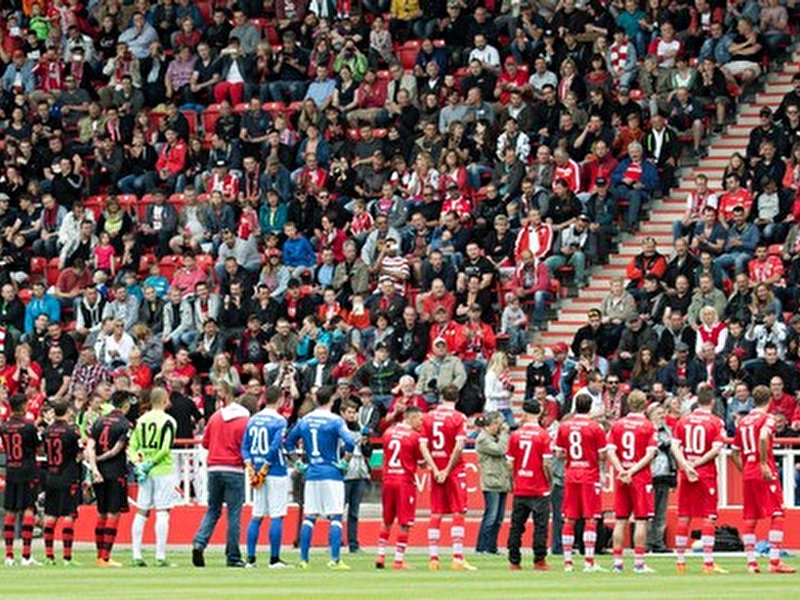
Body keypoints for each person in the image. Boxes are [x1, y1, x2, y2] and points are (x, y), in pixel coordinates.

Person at [285, 385, 356, 570]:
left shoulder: (305, 420)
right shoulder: (336, 420)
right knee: (335, 516)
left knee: (310, 516)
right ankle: (335, 559)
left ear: (316, 400)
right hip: (331, 473)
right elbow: (349, 441)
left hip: (312, 473)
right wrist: (345, 461)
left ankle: (303, 559)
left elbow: (289, 442)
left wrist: (298, 463)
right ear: (331, 400)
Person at [731, 384, 796, 574]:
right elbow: (763, 436)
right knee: (777, 514)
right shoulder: (767, 418)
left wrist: (745, 469)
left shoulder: (743, 421)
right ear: (769, 401)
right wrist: (763, 463)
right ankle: (775, 562)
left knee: (750, 517)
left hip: (749, 473)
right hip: (764, 471)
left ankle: (751, 563)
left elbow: (734, 452)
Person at [192, 382, 250, 568]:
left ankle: (199, 542)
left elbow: (205, 443)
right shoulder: (244, 420)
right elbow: (246, 446)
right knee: (233, 513)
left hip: (214, 467)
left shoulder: (216, 417)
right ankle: (232, 556)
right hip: (234, 468)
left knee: (213, 509)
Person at [670, 384, 726, 574]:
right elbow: (716, 448)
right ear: (712, 402)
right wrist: (697, 464)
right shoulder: (716, 422)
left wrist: (686, 465)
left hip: (686, 472)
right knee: (709, 515)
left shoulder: (683, 421)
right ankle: (708, 562)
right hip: (705, 472)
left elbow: (674, 447)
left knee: (684, 516)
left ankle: (680, 562)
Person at [419, 385, 476, 571]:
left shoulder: (428, 417)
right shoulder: (459, 417)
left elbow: (423, 446)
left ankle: (433, 558)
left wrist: (435, 469)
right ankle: (457, 557)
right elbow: (459, 447)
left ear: (441, 397)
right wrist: (447, 469)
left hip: (436, 468)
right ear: (457, 398)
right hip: (454, 469)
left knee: (436, 513)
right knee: (458, 512)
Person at [554, 392, 608, 572]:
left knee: (569, 519)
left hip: (571, 474)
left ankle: (568, 563)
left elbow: (559, 453)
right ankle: (589, 562)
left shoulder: (565, 426)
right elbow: (602, 455)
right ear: (590, 407)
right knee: (590, 518)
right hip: (589, 475)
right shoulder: (596, 427)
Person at [606, 390, 658, 573]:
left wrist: (621, 470)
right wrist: (632, 470)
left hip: (621, 477)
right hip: (640, 477)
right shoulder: (648, 425)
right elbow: (650, 454)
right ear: (644, 404)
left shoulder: (617, 425)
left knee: (620, 520)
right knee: (641, 520)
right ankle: (638, 563)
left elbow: (610, 451)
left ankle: (618, 563)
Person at [241, 386, 290, 569]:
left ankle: (251, 559)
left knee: (257, 515)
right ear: (279, 400)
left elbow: (245, 446)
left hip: (256, 470)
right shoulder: (280, 420)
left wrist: (250, 466)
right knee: (276, 515)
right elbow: (276, 444)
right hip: (274, 470)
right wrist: (266, 466)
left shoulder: (253, 419)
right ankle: (274, 559)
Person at [129, 387, 178, 567]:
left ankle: (136, 554)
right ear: (165, 400)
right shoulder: (169, 421)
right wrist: (152, 463)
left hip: (145, 472)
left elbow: (132, 446)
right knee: (163, 511)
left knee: (142, 510)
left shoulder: (141, 420)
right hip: (162, 470)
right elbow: (165, 448)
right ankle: (160, 556)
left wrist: (139, 464)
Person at [85, 390, 133, 568]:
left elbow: (90, 447)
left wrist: (95, 467)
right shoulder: (125, 424)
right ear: (125, 405)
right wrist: (101, 458)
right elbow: (115, 450)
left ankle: (99, 556)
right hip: (115, 472)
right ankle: (106, 557)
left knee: (101, 512)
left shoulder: (99, 421)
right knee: (113, 513)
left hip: (99, 474)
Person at [506, 399, 553, 571]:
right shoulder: (543, 435)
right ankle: (539, 560)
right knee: (540, 526)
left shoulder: (515, 435)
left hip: (521, 487)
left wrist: (513, 481)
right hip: (539, 488)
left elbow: (510, 464)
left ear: (524, 413)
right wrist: (550, 481)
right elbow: (546, 463)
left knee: (516, 526)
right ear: (539, 414)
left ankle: (514, 561)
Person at [377, 406, 424, 570]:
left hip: (388, 479)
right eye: (419, 419)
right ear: (410, 418)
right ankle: (398, 560)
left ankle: (381, 555)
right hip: (404, 481)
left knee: (387, 520)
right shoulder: (414, 437)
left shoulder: (388, 433)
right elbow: (421, 462)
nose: (421, 423)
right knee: (405, 522)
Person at [1, 394, 41, 566]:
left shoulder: (4, 426)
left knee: (10, 511)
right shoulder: (29, 427)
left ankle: (9, 556)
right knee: (28, 510)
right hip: (28, 470)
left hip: (12, 469)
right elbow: (38, 448)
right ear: (24, 406)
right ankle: (26, 555)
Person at [42, 400, 82, 566]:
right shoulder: (72, 431)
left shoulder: (47, 431)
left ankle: (49, 556)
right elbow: (79, 453)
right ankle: (67, 557)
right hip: (68, 475)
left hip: (51, 476)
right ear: (67, 412)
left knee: (50, 515)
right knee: (68, 515)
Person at [474, 412, 511, 555]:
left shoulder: (496, 438)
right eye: (498, 423)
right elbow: (501, 449)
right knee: (491, 516)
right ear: (492, 424)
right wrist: (504, 435)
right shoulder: (483, 439)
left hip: (501, 480)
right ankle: (481, 547)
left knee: (499, 518)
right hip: (491, 482)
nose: (500, 427)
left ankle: (492, 547)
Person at [646, 402, 676, 553]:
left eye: (663, 413)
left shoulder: (668, 430)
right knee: (647, 510)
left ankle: (658, 542)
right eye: (658, 414)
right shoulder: (646, 429)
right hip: (649, 472)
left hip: (665, 472)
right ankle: (645, 542)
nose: (662, 416)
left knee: (661, 511)